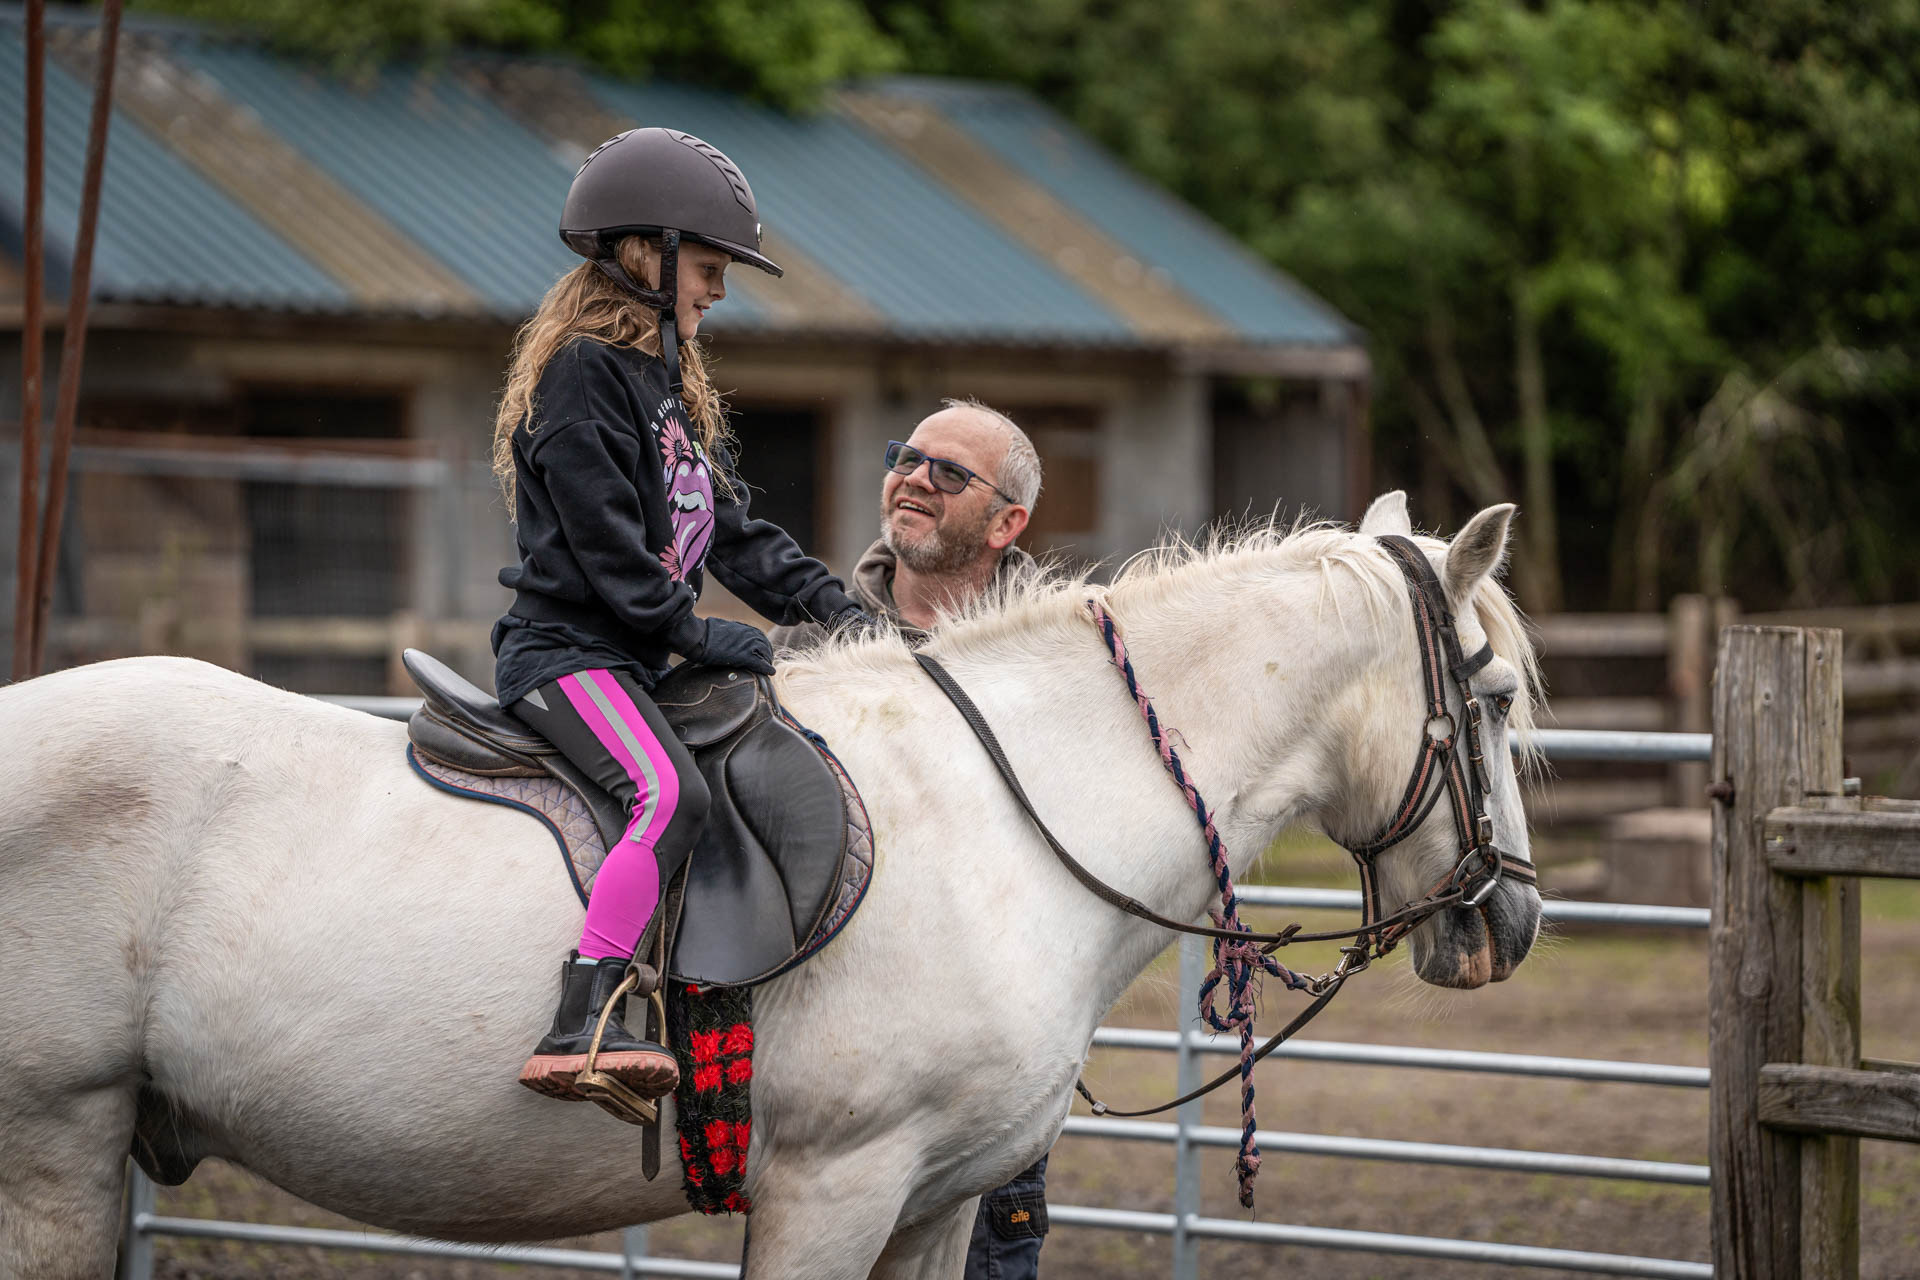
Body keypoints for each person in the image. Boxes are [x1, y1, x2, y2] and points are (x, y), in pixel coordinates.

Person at [491, 128, 866, 1107]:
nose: (719, 290)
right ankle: (582, 1018)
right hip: (570, 653)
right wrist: (718, 638)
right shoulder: (581, 374)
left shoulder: (667, 387)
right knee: (670, 795)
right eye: (708, 267)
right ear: (647, 254)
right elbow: (615, 561)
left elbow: (735, 537)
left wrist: (844, 614)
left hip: (635, 658)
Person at [771, 398, 1052, 1280]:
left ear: (1009, 522)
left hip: (985, 1081)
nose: (915, 479)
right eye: (908, 456)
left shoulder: (1057, 667)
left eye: (950, 472)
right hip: (837, 1078)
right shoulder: (807, 645)